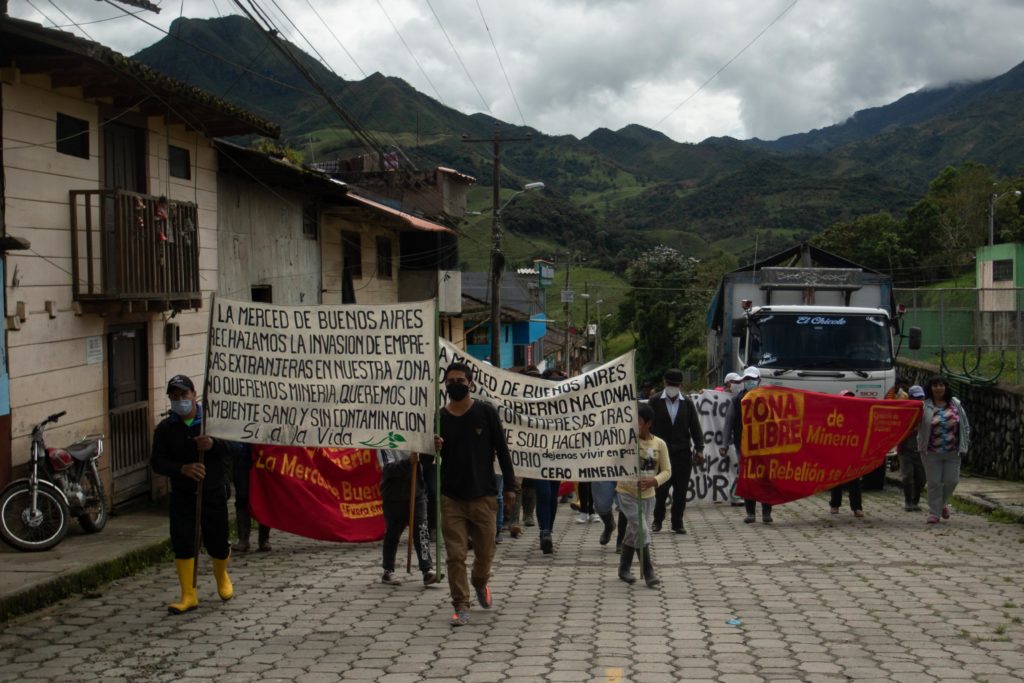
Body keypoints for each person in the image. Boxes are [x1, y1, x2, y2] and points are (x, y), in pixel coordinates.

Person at [435, 362, 517, 627]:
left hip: (484, 496)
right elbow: (427, 461)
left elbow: (502, 450)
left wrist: (510, 486)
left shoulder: (486, 412)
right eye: (450, 381)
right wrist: (431, 448)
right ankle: (461, 604)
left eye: (460, 380)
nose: (455, 385)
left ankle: (480, 582)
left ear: (470, 384)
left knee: (485, 552)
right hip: (451, 498)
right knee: (455, 555)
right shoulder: (439, 418)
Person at [150, 375, 233, 614]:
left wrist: (213, 444)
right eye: (174, 397)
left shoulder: (212, 421)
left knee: (218, 540)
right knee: (183, 540)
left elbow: (236, 448)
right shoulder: (166, 428)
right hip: (183, 493)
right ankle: (188, 594)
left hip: (213, 491)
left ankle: (222, 576)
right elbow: (157, 462)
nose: (180, 400)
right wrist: (181, 469)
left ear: (194, 395)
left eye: (184, 395)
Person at [617, 403, 671, 588]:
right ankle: (648, 571)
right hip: (626, 493)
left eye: (638, 421)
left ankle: (623, 568)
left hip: (648, 497)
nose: (634, 424)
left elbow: (667, 470)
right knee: (641, 529)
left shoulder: (659, 444)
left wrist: (654, 481)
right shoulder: (625, 442)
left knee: (634, 531)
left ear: (648, 423)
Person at [649, 368, 704, 534]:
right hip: (660, 453)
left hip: (682, 453)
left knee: (681, 491)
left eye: (676, 384)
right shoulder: (655, 401)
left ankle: (677, 522)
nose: (672, 387)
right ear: (664, 383)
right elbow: (647, 426)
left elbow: (695, 427)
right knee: (661, 490)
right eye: (670, 384)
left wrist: (699, 449)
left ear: (681, 385)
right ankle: (657, 520)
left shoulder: (687, 403)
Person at [722, 367, 774, 524]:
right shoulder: (736, 400)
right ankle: (750, 513)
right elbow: (729, 423)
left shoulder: (767, 399)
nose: (749, 382)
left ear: (759, 381)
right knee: (748, 478)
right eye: (747, 379)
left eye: (752, 379)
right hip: (743, 447)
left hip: (765, 447)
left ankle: (766, 513)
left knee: (765, 478)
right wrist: (724, 444)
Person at [917, 376, 970, 524]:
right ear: (930, 388)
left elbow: (965, 425)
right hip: (931, 452)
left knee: (952, 481)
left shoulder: (955, 404)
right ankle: (934, 513)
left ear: (946, 387)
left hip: (953, 451)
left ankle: (941, 504)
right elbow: (915, 424)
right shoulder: (924, 406)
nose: (938, 388)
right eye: (935, 385)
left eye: (941, 385)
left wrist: (965, 442)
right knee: (934, 482)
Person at [378, 449, 435, 586]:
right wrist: (408, 462)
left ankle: (427, 569)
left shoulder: (416, 440)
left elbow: (427, 461)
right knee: (392, 533)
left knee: (421, 530)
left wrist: (433, 449)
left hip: (416, 493)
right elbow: (388, 469)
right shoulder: (385, 443)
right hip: (393, 496)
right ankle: (388, 570)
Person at [230, 442, 271, 552]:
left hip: (264, 458)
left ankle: (264, 539)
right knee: (242, 497)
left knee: (264, 497)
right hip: (243, 458)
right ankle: (243, 540)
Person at [829, 390, 864, 517]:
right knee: (836, 479)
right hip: (837, 452)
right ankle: (834, 504)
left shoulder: (858, 416)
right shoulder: (834, 415)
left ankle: (857, 507)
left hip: (852, 453)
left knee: (854, 480)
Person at [899, 385, 927, 511]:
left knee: (921, 478)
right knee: (907, 476)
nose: (919, 400)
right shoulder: (904, 411)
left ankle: (915, 500)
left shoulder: (927, 412)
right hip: (906, 449)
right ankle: (908, 501)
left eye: (921, 398)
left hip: (921, 450)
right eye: (916, 398)